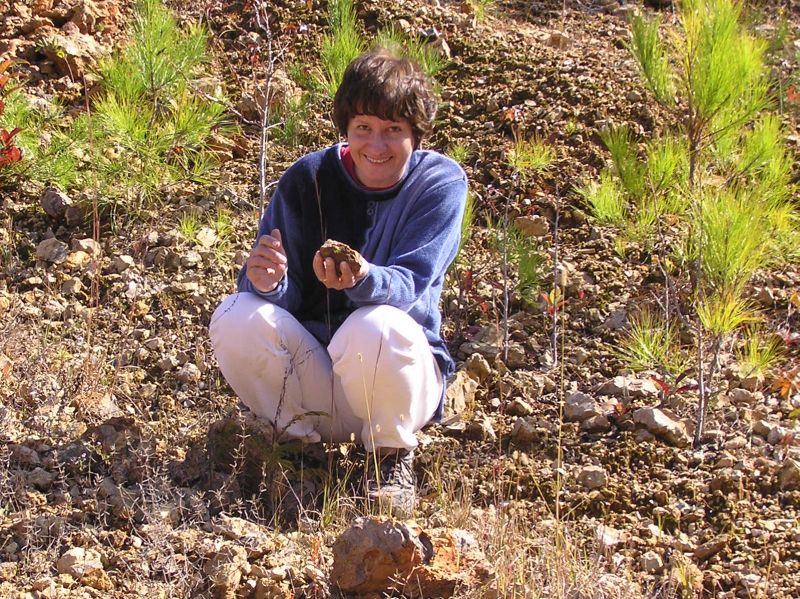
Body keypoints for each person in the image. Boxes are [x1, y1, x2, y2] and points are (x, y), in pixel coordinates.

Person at [209, 48, 468, 515]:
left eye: (394, 130)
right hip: (318, 384)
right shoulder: (307, 179)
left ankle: (390, 459)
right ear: (346, 129)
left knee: (375, 325)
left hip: (397, 383)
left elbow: (411, 284)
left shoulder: (440, 183)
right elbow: (279, 299)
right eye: (363, 128)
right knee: (236, 315)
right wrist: (268, 284)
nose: (377, 145)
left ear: (417, 134)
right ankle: (299, 453)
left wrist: (364, 278)